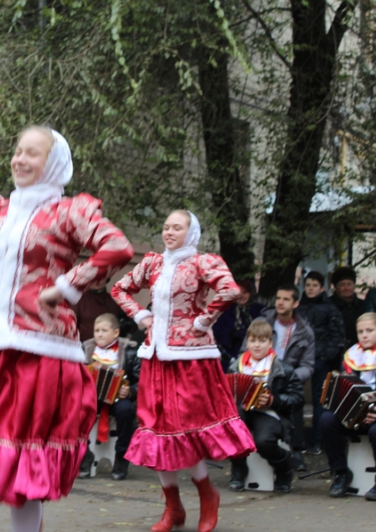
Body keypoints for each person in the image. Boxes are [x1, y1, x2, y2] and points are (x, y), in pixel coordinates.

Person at [0, 126, 134, 532]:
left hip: (44, 351)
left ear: (53, 165)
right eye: (18, 151)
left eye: (33, 154)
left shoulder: (70, 211)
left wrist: (65, 286)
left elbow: (117, 246)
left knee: (25, 466)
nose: (20, 159)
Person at [111, 209, 254, 532]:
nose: (169, 232)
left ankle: (207, 496)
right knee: (157, 432)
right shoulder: (151, 263)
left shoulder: (203, 262)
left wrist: (203, 321)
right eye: (166, 227)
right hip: (155, 356)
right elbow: (118, 289)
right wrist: (140, 316)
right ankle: (173, 507)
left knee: (185, 431)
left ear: (191, 233)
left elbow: (230, 290)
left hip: (190, 358)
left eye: (177, 227)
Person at [319, 312, 376, 501]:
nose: (364, 335)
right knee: (326, 420)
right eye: (360, 331)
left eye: (370, 330)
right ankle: (341, 473)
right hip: (353, 413)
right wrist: (331, 391)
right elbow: (345, 388)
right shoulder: (350, 357)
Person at [227, 321, 304, 493]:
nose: (256, 345)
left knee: (264, 441)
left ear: (270, 343)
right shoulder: (236, 367)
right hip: (242, 412)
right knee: (231, 429)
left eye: (262, 341)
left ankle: (285, 467)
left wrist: (273, 400)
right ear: (247, 342)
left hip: (270, 413)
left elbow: (297, 398)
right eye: (253, 340)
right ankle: (239, 470)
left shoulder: (282, 368)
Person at [256, 285, 315, 471]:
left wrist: (290, 377)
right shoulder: (263, 322)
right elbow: (245, 350)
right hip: (260, 375)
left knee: (294, 399)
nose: (280, 302)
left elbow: (308, 365)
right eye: (278, 298)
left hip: (288, 378)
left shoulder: (305, 331)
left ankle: (296, 449)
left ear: (296, 303)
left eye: (286, 299)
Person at [79, 313, 140, 481]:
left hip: (117, 399)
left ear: (115, 333)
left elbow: (141, 382)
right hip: (92, 398)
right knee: (76, 411)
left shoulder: (129, 352)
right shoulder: (85, 349)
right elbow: (73, 375)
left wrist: (130, 391)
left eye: (104, 330)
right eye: (96, 330)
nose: (99, 334)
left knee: (126, 410)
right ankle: (84, 454)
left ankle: (121, 456)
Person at [296, 271, 345, 455]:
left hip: (320, 360)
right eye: (308, 285)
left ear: (322, 288)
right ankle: (297, 441)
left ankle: (316, 441)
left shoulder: (330, 309)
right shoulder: (299, 307)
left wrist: (325, 356)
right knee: (296, 399)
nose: (310, 288)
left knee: (319, 400)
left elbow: (337, 335)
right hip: (300, 360)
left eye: (314, 285)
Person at [213, 278, 265, 371]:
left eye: (245, 292)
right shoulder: (227, 310)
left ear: (251, 293)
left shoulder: (260, 311)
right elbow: (216, 332)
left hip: (255, 357)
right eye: (238, 291)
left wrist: (247, 334)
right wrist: (230, 335)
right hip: (230, 358)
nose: (241, 295)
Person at [73, 276, 129, 342]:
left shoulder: (114, 300)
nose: (98, 281)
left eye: (101, 277)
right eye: (95, 278)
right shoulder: (79, 298)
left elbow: (126, 323)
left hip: (110, 346)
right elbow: (72, 324)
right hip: (84, 345)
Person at [329, 266, 365, 353]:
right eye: (342, 285)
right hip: (334, 353)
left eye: (349, 284)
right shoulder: (328, 305)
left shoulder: (363, 305)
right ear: (336, 287)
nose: (346, 288)